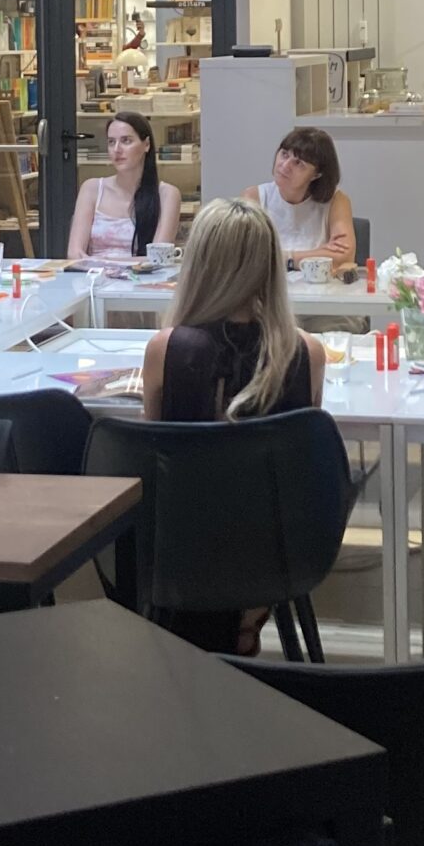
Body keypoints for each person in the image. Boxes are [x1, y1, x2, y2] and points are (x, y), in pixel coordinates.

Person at [135, 199, 329, 654]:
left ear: (198, 265)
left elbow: (153, 448)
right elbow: (300, 459)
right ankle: (247, 619)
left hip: (183, 545)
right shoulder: (306, 353)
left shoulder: (165, 349)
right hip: (276, 548)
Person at [65, 111, 182, 261]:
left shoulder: (167, 194)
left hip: (140, 276)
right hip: (94, 275)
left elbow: (159, 259)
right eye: (111, 142)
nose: (117, 149)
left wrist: (103, 262)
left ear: (146, 144)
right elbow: (74, 254)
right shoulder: (91, 189)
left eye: (126, 141)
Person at [241, 125, 355, 267]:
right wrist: (319, 254)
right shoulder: (254, 197)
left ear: (316, 174)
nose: (285, 166)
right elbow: (245, 255)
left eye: (298, 163)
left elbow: (344, 257)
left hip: (317, 282)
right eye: (284, 154)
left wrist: (286, 258)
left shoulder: (336, 201)